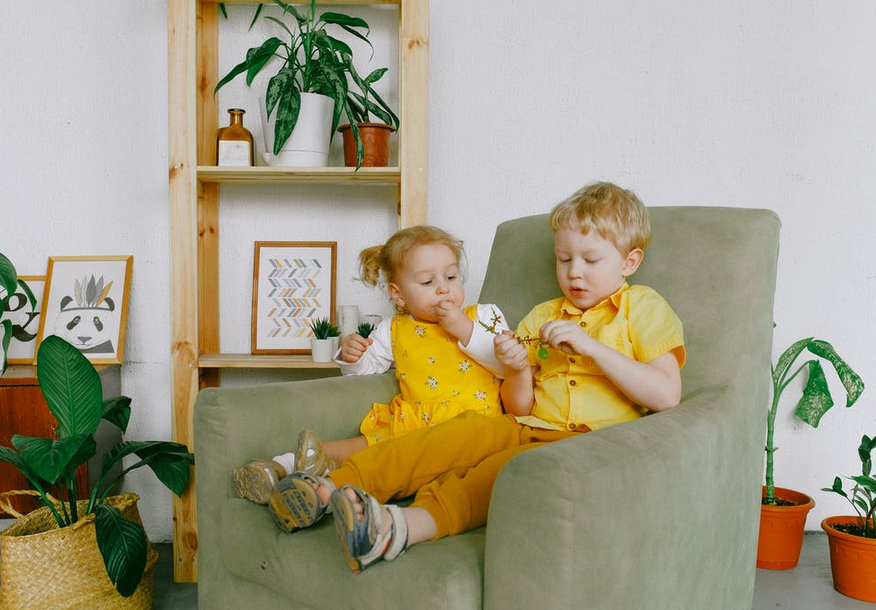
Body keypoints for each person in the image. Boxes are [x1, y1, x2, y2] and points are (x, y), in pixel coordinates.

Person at [266, 181, 686, 574]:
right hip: (525, 424)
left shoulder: (642, 308)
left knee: (499, 474)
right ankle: (325, 490)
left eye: (591, 260)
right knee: (450, 437)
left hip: (587, 443)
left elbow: (666, 395)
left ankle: (398, 529)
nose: (574, 272)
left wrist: (592, 346)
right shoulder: (543, 315)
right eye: (564, 259)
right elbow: (518, 406)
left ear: (630, 262)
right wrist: (519, 368)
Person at [233, 225, 510, 504]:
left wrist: (463, 328)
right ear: (398, 295)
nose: (443, 288)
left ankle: (322, 488)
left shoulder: (485, 316)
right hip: (410, 425)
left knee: (383, 460)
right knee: (357, 446)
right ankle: (281, 466)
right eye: (427, 282)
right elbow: (364, 371)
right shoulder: (394, 329)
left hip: (469, 428)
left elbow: (508, 365)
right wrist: (351, 357)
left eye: (451, 276)